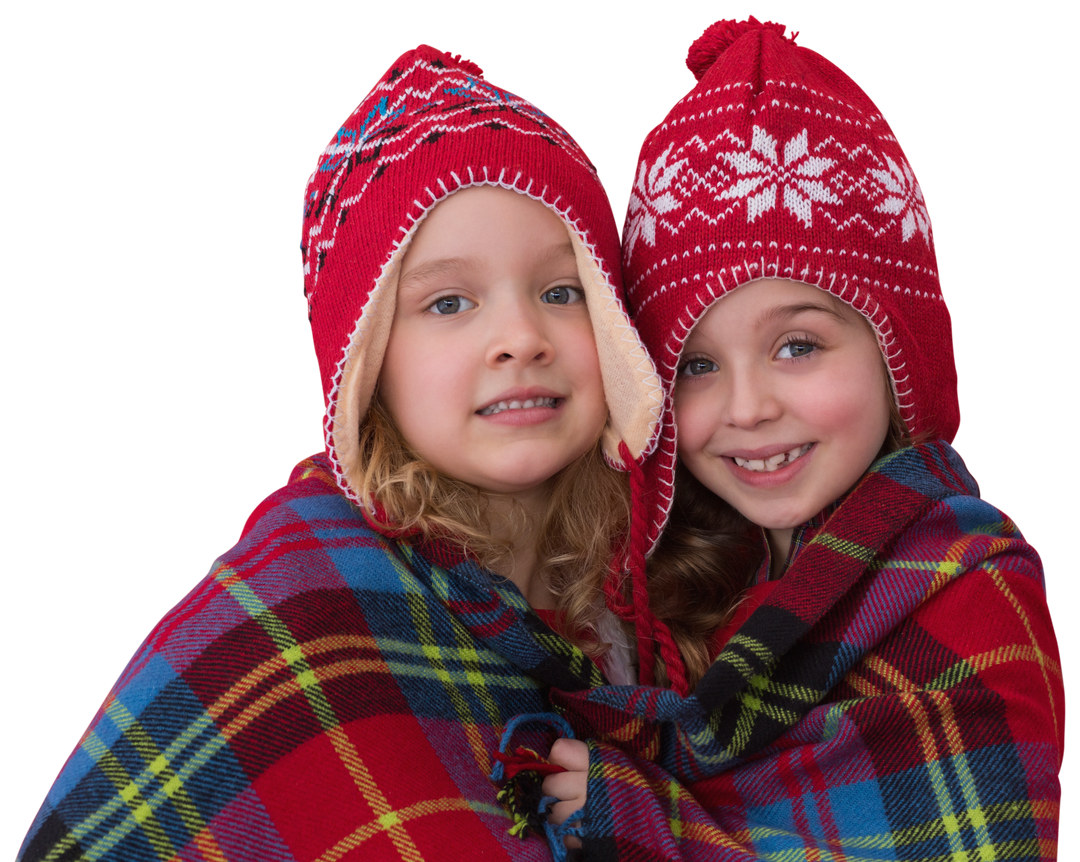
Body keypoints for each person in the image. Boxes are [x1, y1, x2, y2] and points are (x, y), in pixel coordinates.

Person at [16, 42, 671, 861]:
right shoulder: (302, 601)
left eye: (560, 290)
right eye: (448, 302)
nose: (521, 338)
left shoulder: (654, 598)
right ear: (369, 365)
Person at [542, 13, 1067, 859]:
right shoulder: (661, 588)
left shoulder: (965, 587)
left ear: (898, 356)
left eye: (798, 346)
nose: (747, 408)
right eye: (695, 367)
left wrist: (641, 822)